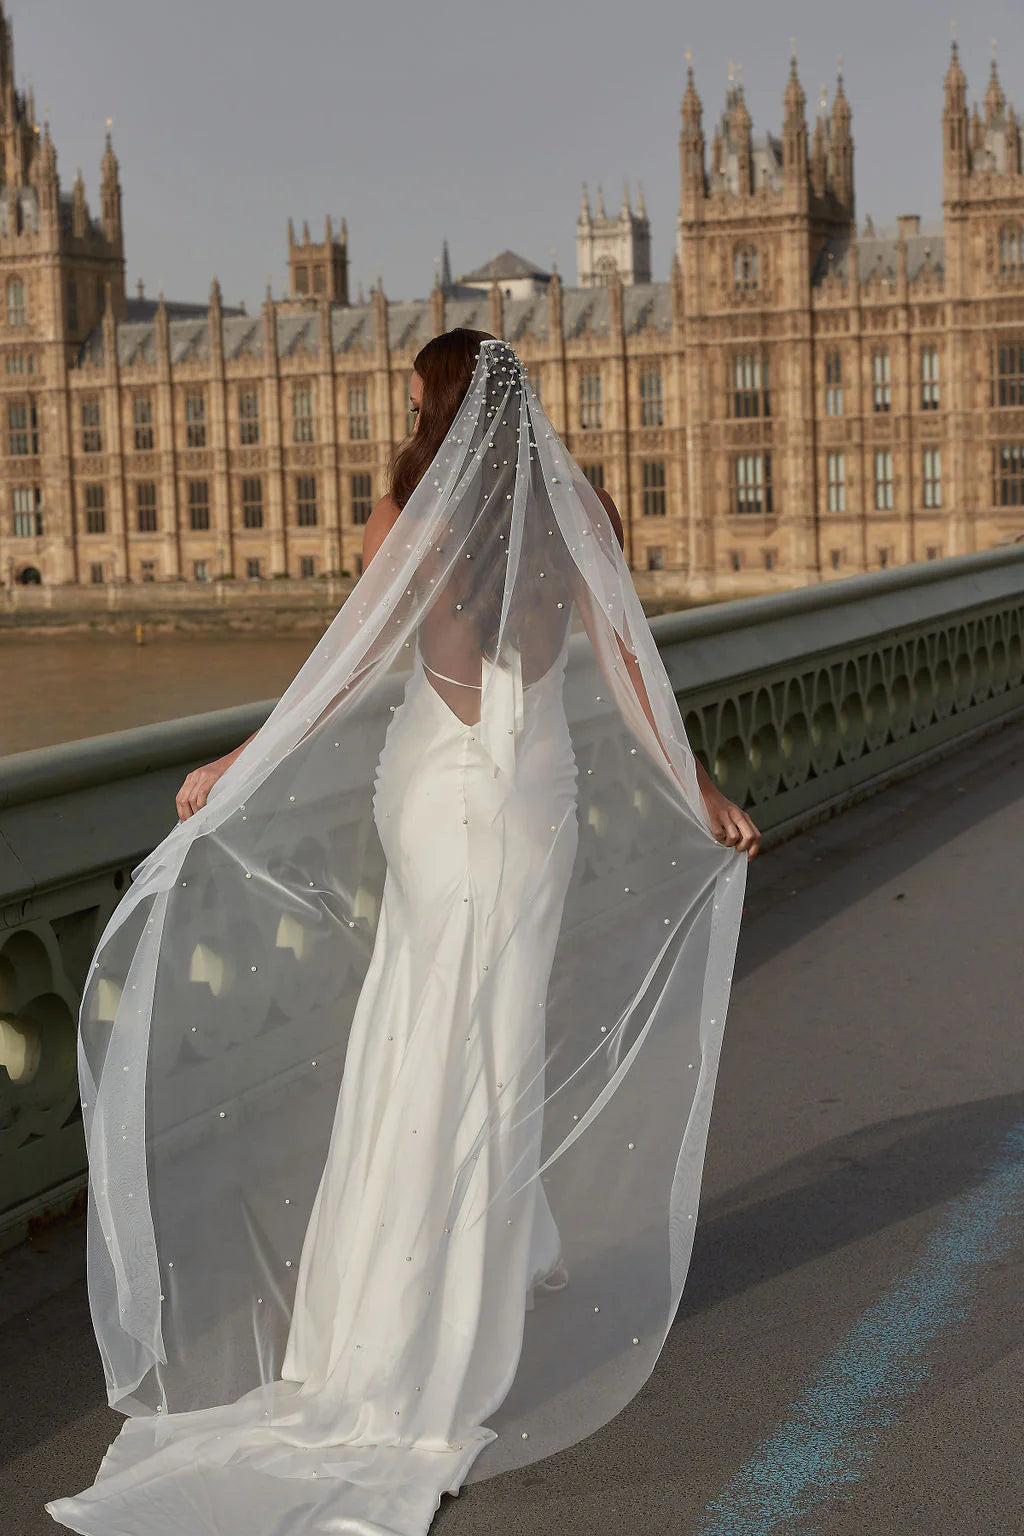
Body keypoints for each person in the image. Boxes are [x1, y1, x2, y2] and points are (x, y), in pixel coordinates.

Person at [47, 330, 759, 1536]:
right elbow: (634, 673)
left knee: (412, 1041)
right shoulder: (578, 506)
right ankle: (450, 1304)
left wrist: (238, 759)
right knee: (487, 1058)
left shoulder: (405, 520)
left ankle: (380, 1317)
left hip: (431, 800)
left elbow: (342, 674)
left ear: (429, 406)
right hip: (531, 801)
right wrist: (698, 793)